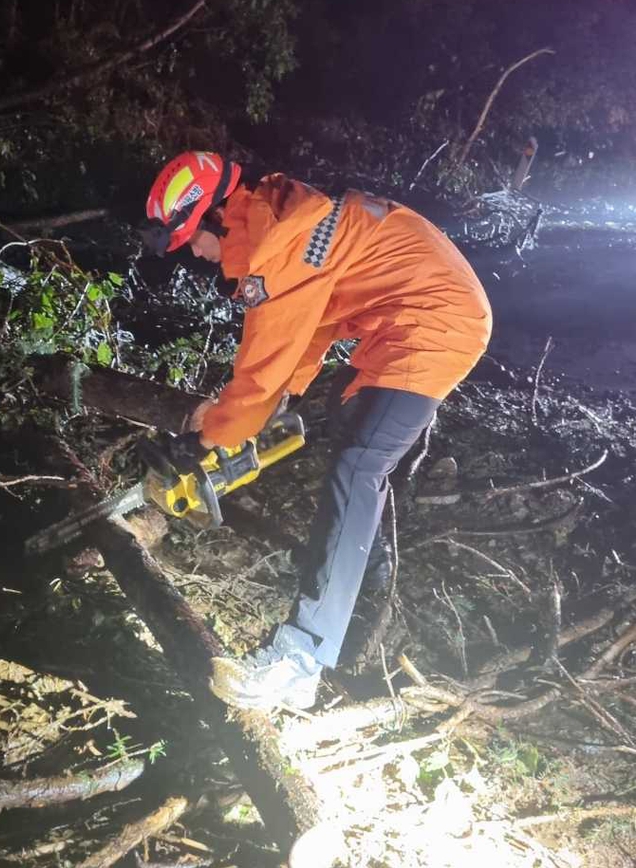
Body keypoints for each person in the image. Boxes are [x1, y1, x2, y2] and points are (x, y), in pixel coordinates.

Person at [140, 150, 492, 710]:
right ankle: (370, 587)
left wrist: (209, 438)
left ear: (213, 217)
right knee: (354, 434)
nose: (200, 257)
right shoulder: (285, 220)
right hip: (407, 320)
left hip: (431, 323)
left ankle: (300, 660)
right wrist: (277, 402)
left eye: (195, 244)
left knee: (360, 464)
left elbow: (262, 362)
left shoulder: (280, 242)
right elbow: (310, 330)